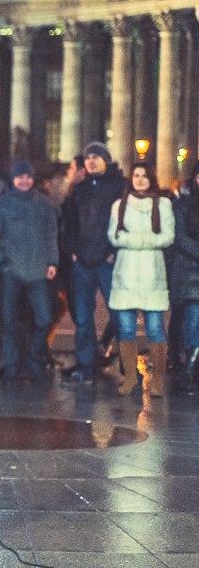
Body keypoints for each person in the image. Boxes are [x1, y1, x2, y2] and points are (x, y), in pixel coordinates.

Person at [60, 143, 125, 386]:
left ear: (106, 160)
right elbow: (69, 223)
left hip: (107, 261)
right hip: (83, 262)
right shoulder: (80, 189)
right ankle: (85, 366)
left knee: (119, 315)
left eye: (96, 157)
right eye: (88, 158)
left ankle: (127, 366)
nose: (91, 161)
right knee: (84, 318)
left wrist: (113, 252)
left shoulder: (119, 186)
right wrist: (73, 251)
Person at [109, 162, 175, 397]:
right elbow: (114, 237)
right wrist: (147, 239)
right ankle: (129, 379)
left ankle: (158, 381)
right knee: (125, 329)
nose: (139, 179)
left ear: (151, 179)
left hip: (151, 277)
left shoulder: (163, 204)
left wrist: (134, 239)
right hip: (125, 275)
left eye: (144, 176)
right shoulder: (120, 205)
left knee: (155, 328)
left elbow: (167, 237)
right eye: (136, 175)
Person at [0, 160, 59, 382]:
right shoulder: (2, 204)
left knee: (44, 318)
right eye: (20, 177)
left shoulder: (45, 204)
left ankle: (33, 357)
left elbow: (51, 234)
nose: (24, 181)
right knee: (8, 320)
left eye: (28, 177)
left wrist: (52, 262)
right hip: (11, 270)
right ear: (13, 180)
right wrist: (2, 263)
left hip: (38, 269)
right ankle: (11, 364)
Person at [169, 165, 199, 392]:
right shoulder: (181, 205)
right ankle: (189, 369)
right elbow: (179, 238)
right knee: (192, 321)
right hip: (190, 275)